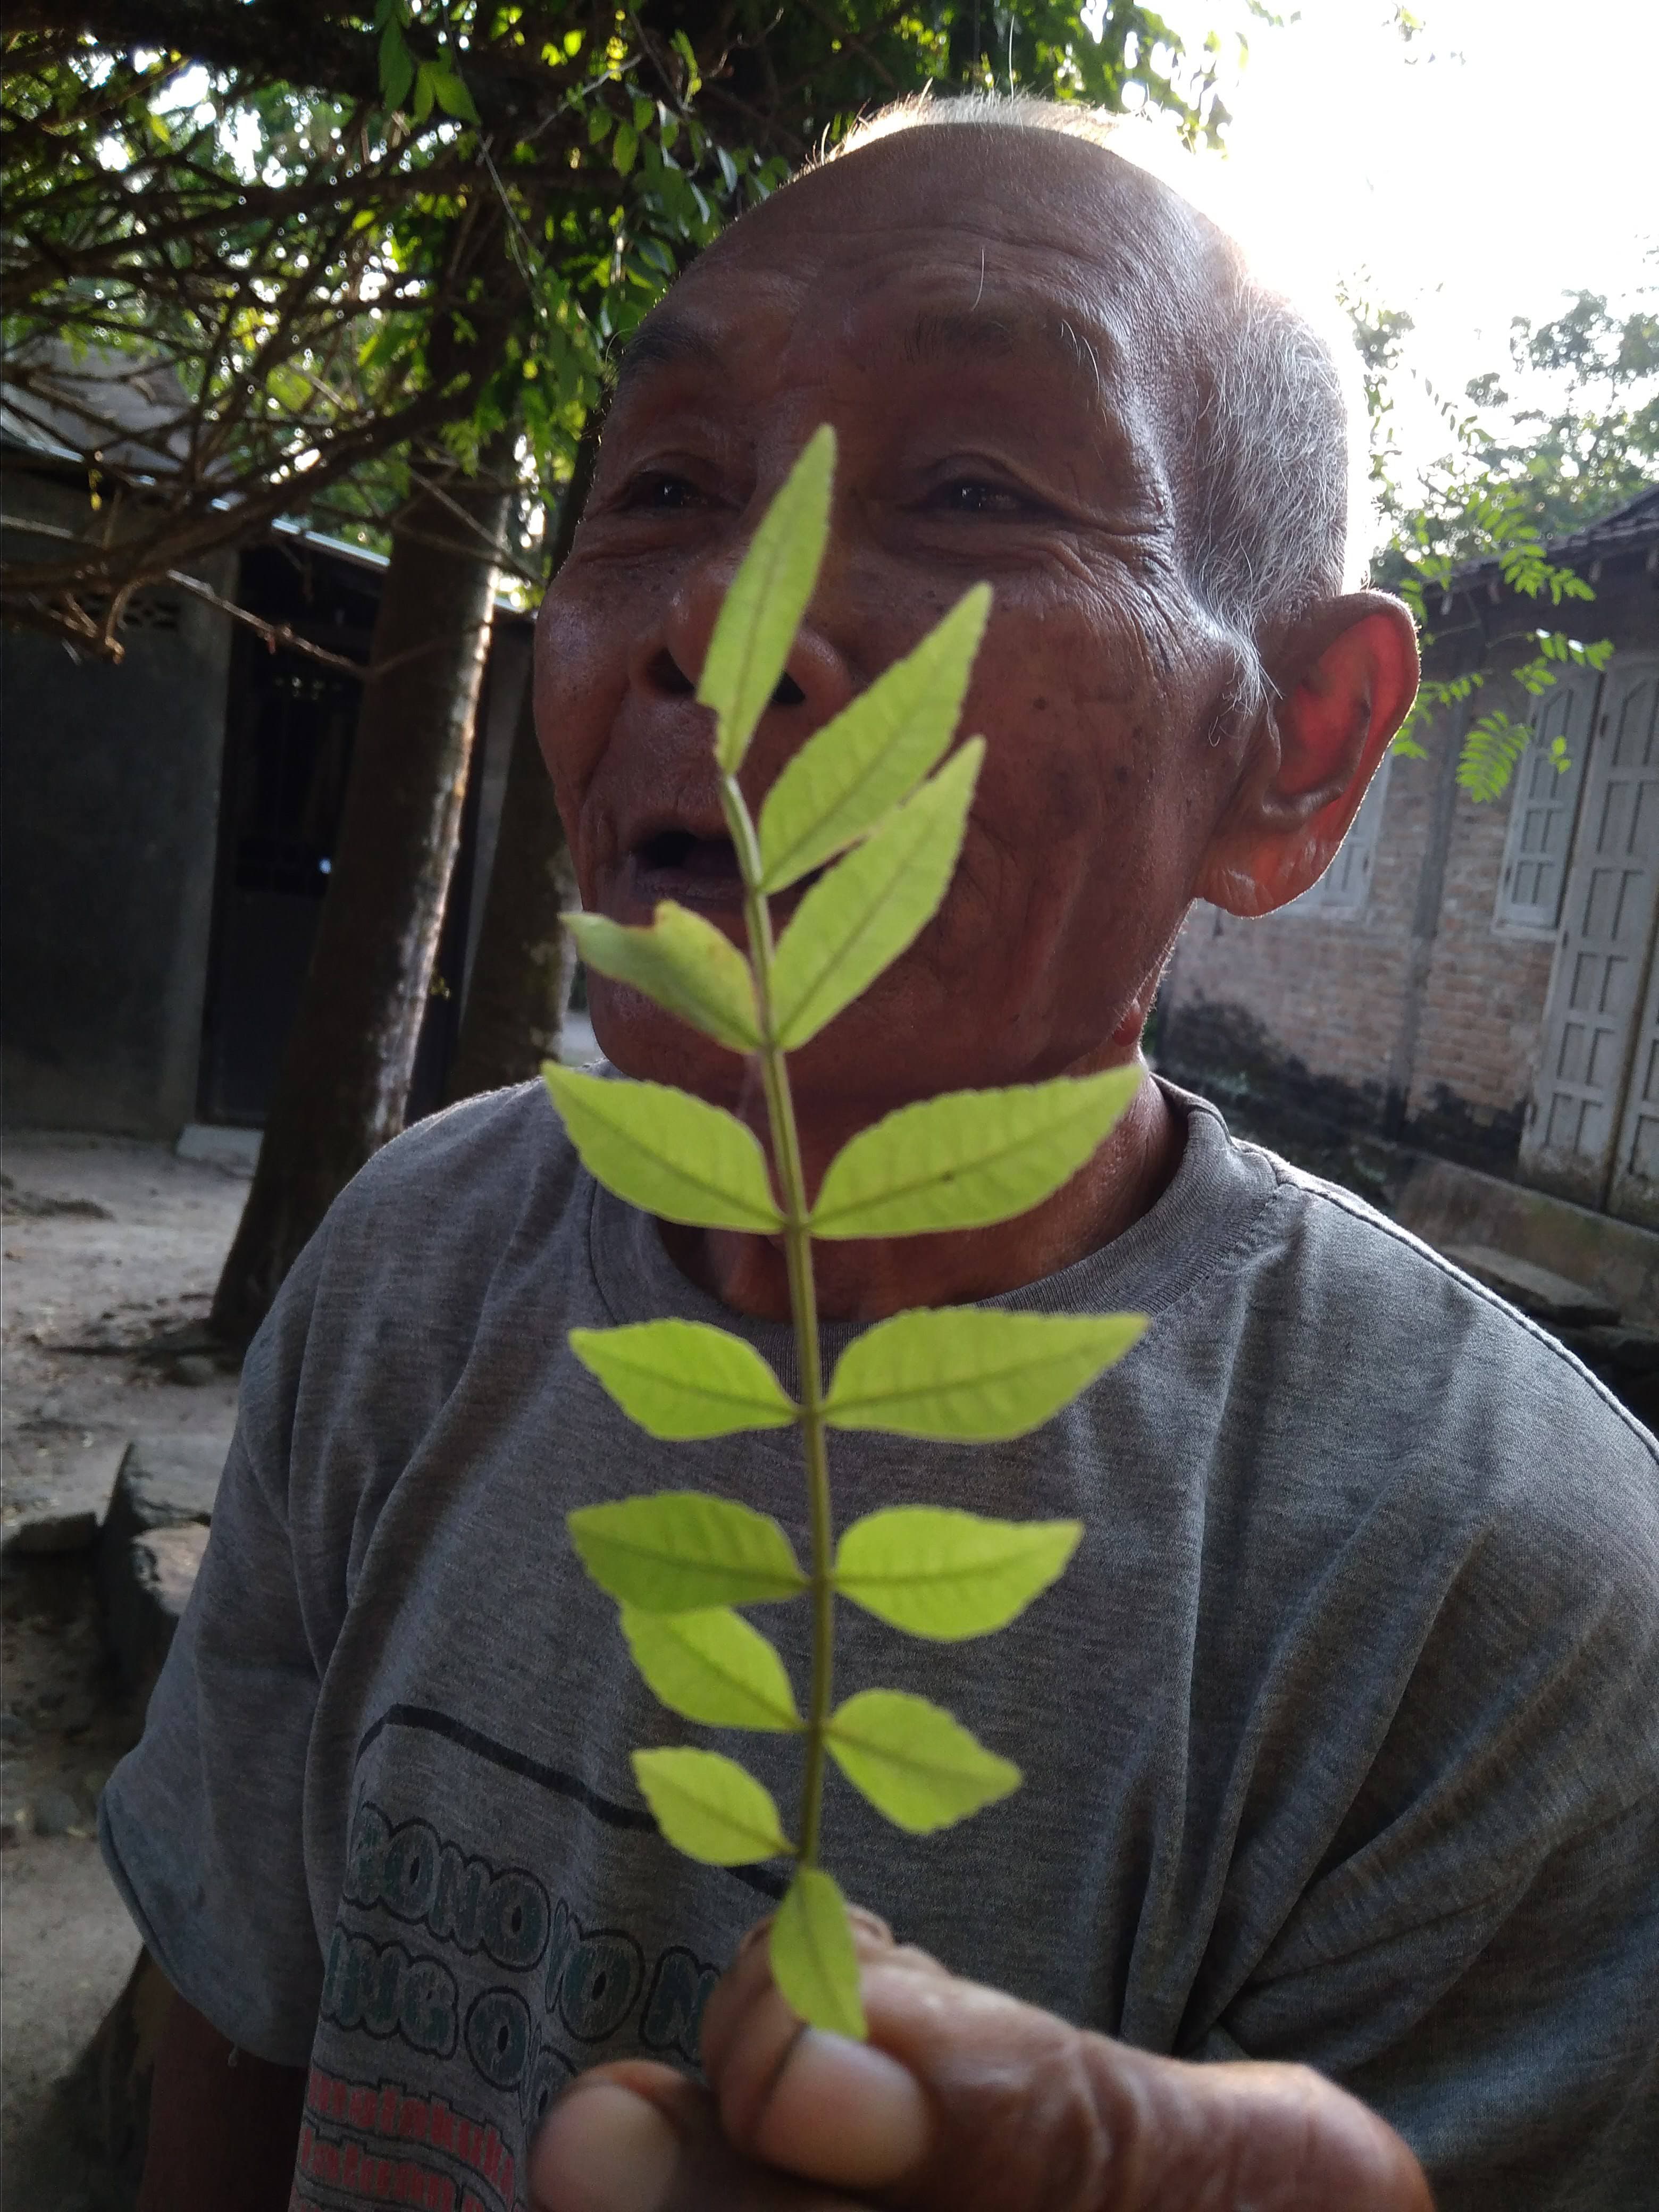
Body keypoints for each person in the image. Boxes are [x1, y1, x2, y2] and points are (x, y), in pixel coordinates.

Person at [104, 97, 1658, 2212]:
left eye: (968, 485)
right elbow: (231, 2034)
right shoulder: (408, 1267)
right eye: (659, 486)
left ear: (1294, 746)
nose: (719, 623)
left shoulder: (1521, 1595)